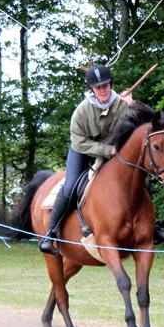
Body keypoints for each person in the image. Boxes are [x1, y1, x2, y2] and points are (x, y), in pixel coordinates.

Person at [39, 63, 133, 255]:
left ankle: (151, 226)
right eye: (99, 88)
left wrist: (132, 105)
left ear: (111, 84)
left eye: (106, 86)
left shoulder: (122, 104)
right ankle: (51, 232)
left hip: (113, 152)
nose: (103, 90)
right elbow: (80, 142)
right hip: (83, 151)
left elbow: (141, 120)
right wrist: (106, 150)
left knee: (135, 175)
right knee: (70, 185)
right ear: (92, 89)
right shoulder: (81, 111)